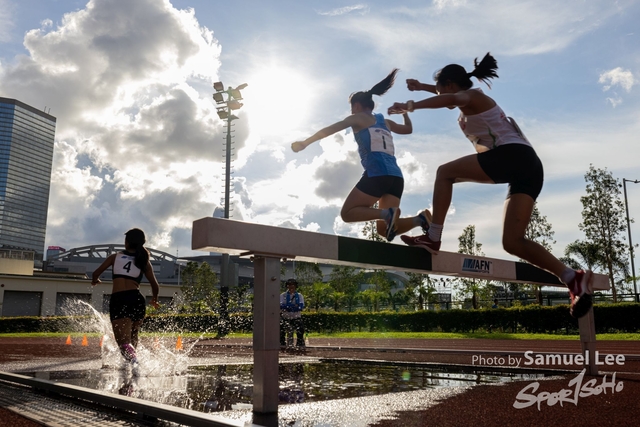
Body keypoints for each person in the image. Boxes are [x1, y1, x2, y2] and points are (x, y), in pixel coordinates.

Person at [388, 53, 593, 318]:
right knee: (512, 242)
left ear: (450, 84)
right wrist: (423, 87)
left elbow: (450, 99)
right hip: (529, 168)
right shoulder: (467, 96)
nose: (439, 93)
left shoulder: (471, 96)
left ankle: (433, 236)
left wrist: (410, 105)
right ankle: (571, 277)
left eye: (440, 88)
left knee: (445, 173)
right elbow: (447, 96)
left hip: (511, 156)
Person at [291, 69, 431, 241]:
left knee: (347, 213)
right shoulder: (386, 122)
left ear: (357, 105)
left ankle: (387, 213)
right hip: (396, 178)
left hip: (377, 173)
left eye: (352, 108)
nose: (351, 112)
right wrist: (405, 114)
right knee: (383, 230)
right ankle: (419, 220)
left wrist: (305, 142)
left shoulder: (357, 118)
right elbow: (408, 130)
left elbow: (330, 129)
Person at [92, 228, 160, 368]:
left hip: (120, 299)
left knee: (123, 343)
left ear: (126, 242)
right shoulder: (143, 260)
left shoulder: (114, 257)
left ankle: (135, 363)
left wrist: (95, 281)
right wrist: (154, 299)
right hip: (137, 299)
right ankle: (131, 364)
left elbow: (95, 273)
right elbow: (154, 284)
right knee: (133, 336)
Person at [280, 279, 305, 349]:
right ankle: (282, 343)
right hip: (285, 317)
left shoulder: (299, 295)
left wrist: (289, 307)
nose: (291, 286)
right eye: (289, 285)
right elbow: (281, 306)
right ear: (287, 286)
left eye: (293, 285)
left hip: (296, 317)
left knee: (300, 329)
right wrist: (293, 307)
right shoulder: (283, 295)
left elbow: (301, 306)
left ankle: (300, 343)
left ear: (296, 286)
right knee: (281, 329)